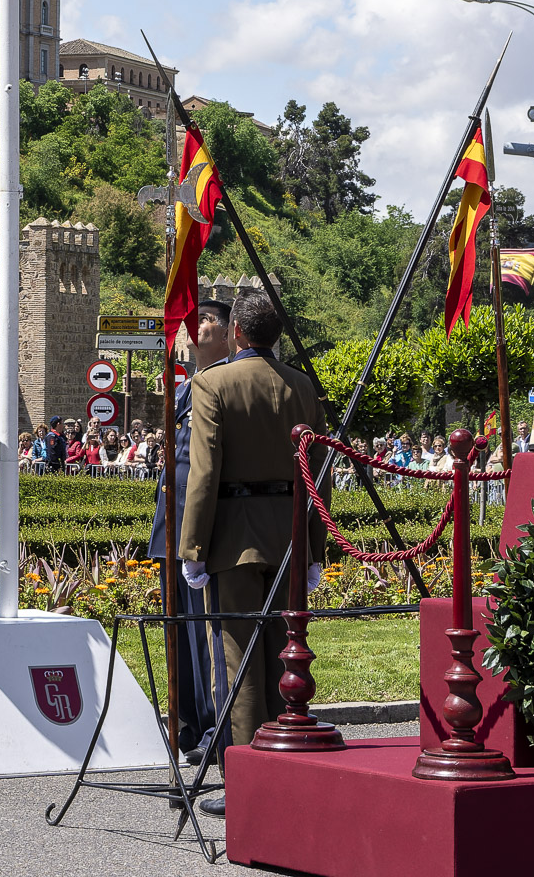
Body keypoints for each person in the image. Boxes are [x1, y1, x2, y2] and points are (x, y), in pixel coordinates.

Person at [180, 288, 329, 816]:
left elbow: (204, 472)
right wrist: (315, 547)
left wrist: (193, 547)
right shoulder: (302, 386)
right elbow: (319, 472)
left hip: (234, 537)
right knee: (279, 654)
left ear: (238, 332)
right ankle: (282, 760)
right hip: (288, 532)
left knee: (237, 660)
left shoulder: (212, 382)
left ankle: (247, 778)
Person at [148, 297, 230, 767]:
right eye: (192, 319)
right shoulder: (185, 389)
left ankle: (215, 725)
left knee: (205, 634)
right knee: (177, 630)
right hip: (171, 523)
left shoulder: (226, 385)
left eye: (208, 320)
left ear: (229, 332)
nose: (195, 326)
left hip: (201, 530)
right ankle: (188, 723)